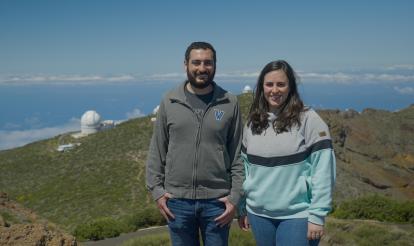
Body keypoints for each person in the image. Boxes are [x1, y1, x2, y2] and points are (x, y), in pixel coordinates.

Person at [146, 41, 244, 246]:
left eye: (208, 63)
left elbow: (237, 154)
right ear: (185, 64)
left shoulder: (229, 102)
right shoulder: (170, 100)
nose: (202, 68)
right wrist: (157, 191)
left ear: (215, 65)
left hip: (217, 202)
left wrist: (235, 198)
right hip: (177, 201)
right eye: (196, 62)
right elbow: (157, 149)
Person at [238, 60, 336, 246]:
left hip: (297, 215)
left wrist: (317, 215)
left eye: (281, 84)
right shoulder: (252, 123)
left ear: (290, 87)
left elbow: (323, 171)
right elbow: (245, 168)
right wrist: (243, 207)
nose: (275, 90)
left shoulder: (308, 120)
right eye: (269, 84)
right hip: (258, 214)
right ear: (261, 87)